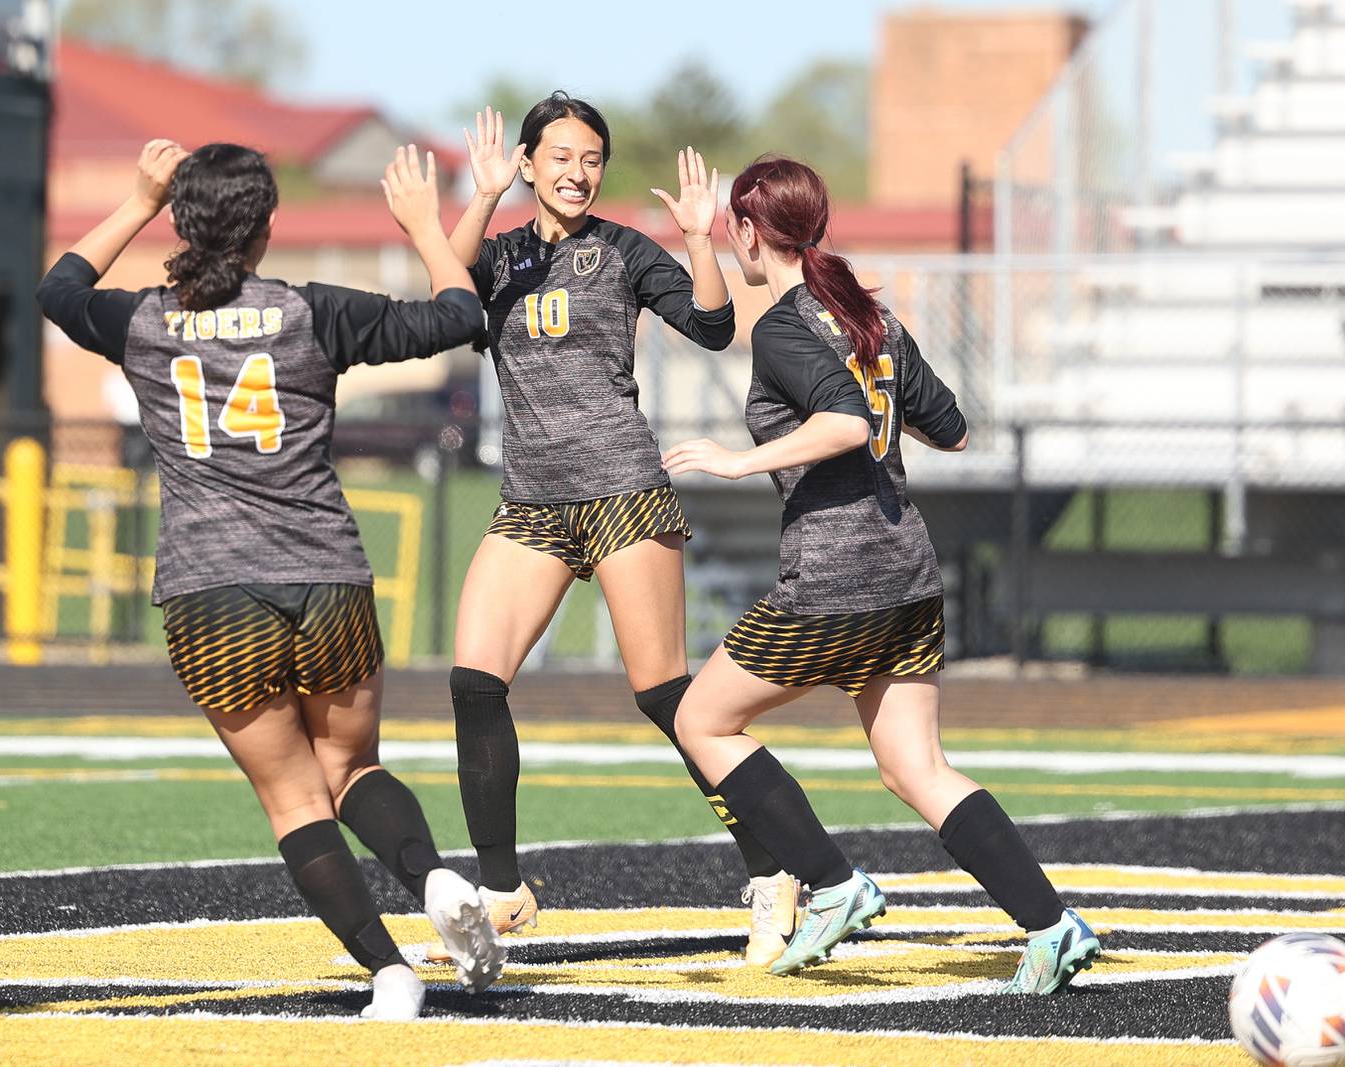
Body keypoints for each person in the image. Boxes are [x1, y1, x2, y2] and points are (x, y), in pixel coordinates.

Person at [36, 139, 505, 1020]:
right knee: (354, 766)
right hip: (327, 573)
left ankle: (389, 973)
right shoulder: (309, 310)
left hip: (211, 592)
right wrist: (420, 224)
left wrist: (137, 198)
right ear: (267, 225)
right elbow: (455, 314)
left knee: (294, 797)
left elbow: (58, 289)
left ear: (181, 221)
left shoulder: (140, 319)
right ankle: (435, 877)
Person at [667, 155, 1101, 994]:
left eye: (732, 231)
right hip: (909, 576)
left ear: (751, 234)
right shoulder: (869, 317)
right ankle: (1051, 925)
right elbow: (956, 430)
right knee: (915, 768)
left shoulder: (786, 329)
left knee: (703, 721)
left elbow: (841, 418)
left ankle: (832, 885)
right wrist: (700, 242)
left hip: (835, 580)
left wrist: (736, 461)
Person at [435, 92, 799, 967]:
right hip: (531, 503)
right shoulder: (498, 253)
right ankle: (501, 890)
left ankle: (773, 869)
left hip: (623, 492)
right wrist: (478, 199)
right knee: (474, 683)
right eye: (558, 155)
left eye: (591, 157)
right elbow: (445, 300)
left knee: (667, 697)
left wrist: (702, 240)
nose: (576, 171)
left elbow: (713, 328)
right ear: (526, 164)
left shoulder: (627, 250)